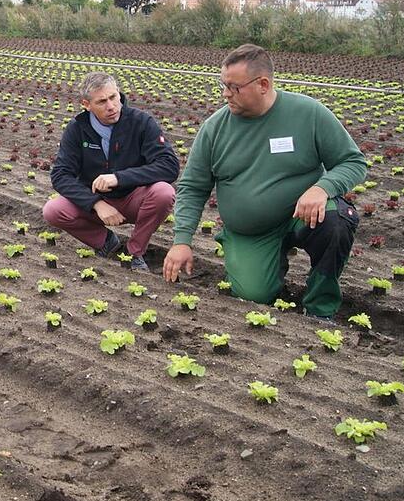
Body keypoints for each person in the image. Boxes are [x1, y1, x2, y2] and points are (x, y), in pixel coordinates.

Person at [163, 44, 366, 320]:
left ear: (263, 84)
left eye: (233, 87)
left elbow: (353, 162)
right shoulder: (214, 128)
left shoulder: (308, 113)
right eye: (223, 85)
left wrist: (322, 188)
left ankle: (320, 306)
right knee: (254, 296)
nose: (225, 93)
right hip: (252, 232)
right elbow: (193, 187)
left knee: (337, 221)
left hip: (301, 215)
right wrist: (181, 240)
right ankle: (260, 265)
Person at [43, 71, 179, 271]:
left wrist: (119, 178)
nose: (111, 106)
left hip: (135, 199)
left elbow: (169, 165)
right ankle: (105, 241)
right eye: (102, 102)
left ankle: (135, 253)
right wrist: (96, 203)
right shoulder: (77, 129)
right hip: (98, 203)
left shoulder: (141, 122)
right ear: (86, 105)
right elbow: (60, 175)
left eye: (113, 97)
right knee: (53, 210)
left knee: (164, 193)